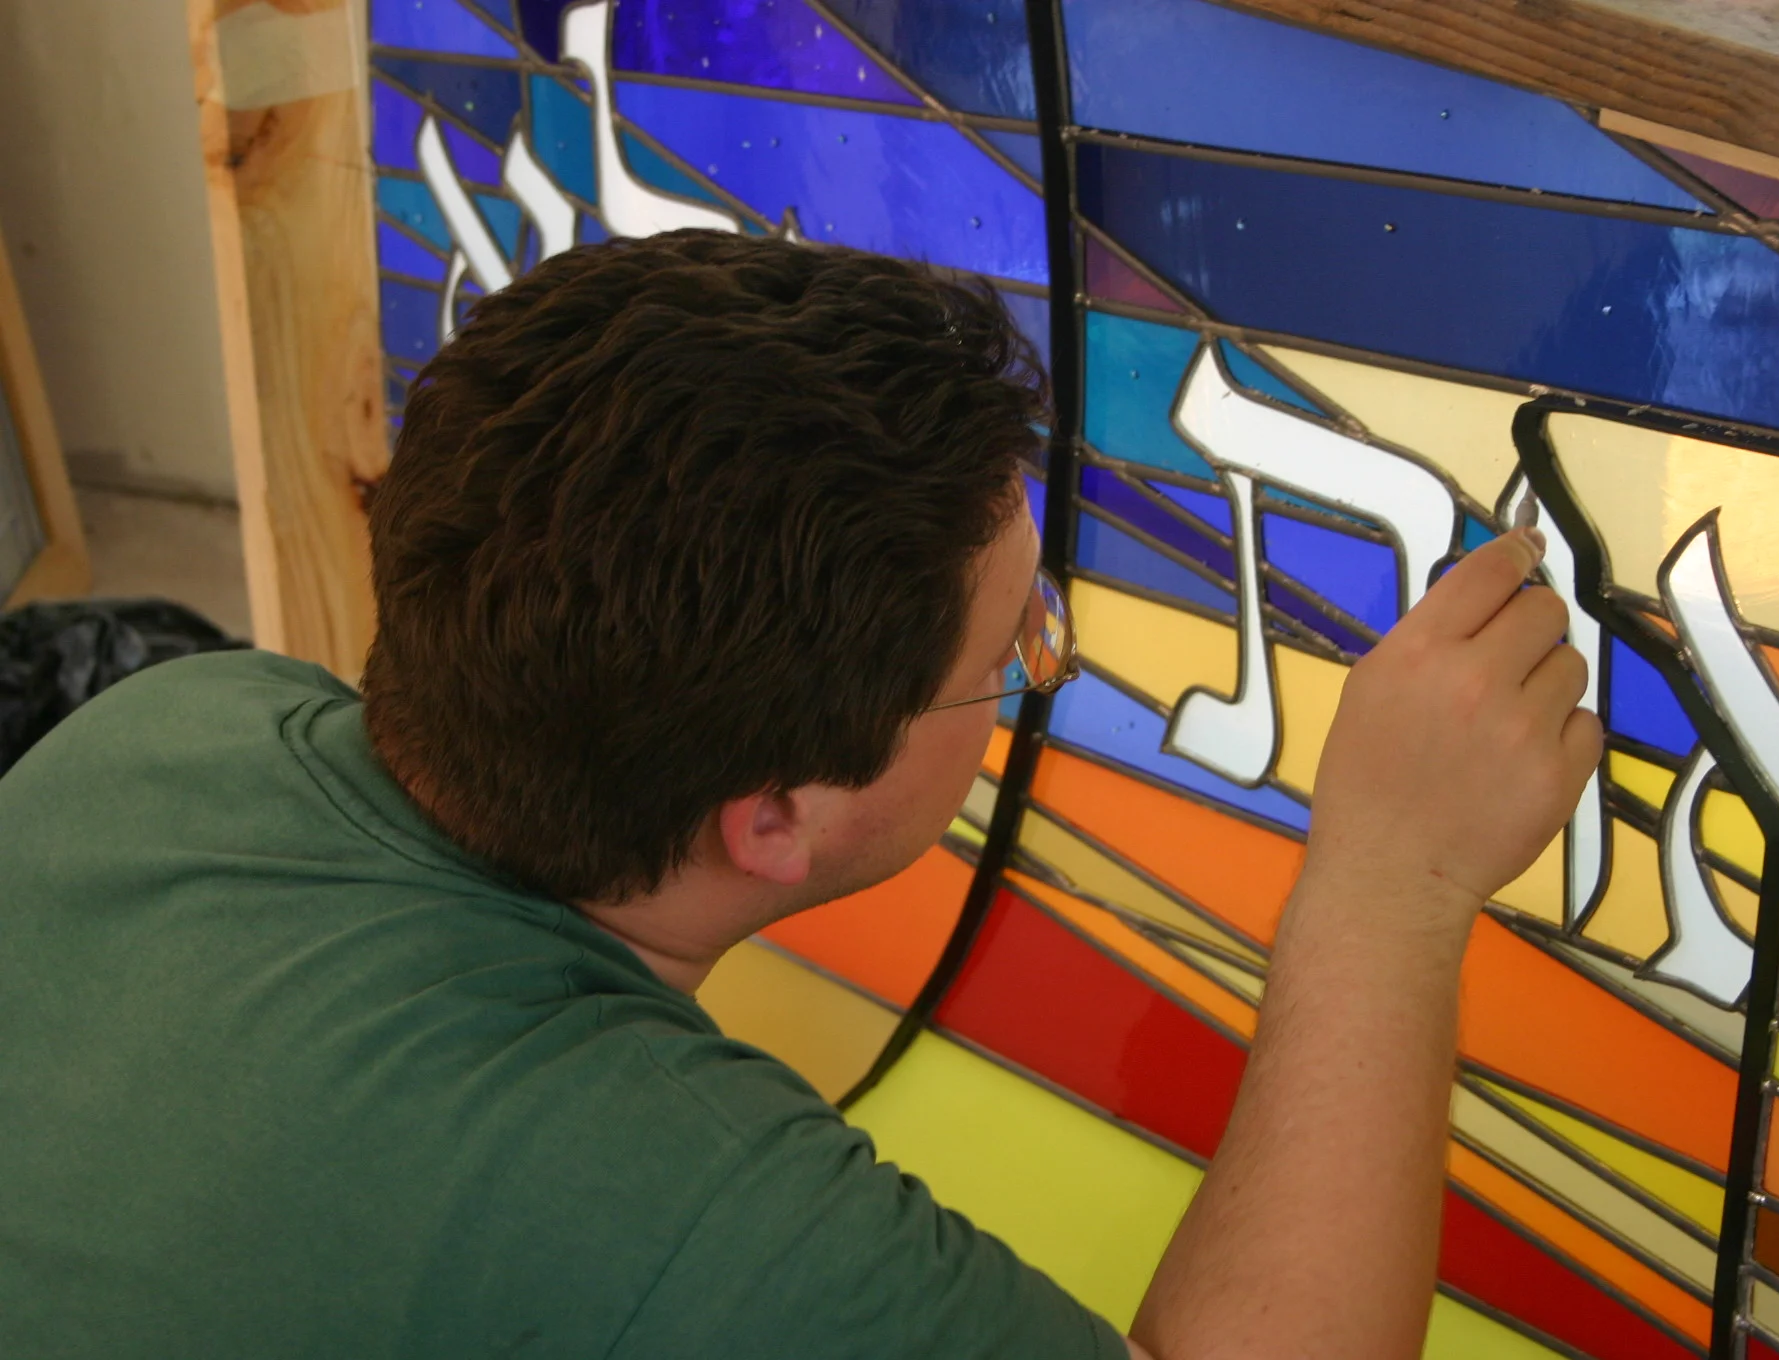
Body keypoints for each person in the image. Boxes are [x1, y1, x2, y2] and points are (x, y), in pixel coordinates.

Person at [0, 232, 1600, 1359]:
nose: (1038, 667)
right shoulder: (685, 1219)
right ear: (770, 818)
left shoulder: (167, 731)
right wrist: (1390, 889)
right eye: (1008, 650)